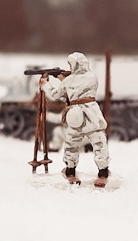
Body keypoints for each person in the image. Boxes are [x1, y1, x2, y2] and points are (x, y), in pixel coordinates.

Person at [39, 52, 110, 187]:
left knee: (71, 144)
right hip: (92, 113)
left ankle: (70, 171)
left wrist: (45, 85)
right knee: (99, 143)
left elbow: (55, 95)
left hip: (75, 114)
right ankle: (103, 172)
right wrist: (66, 78)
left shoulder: (68, 81)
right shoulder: (92, 76)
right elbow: (78, 85)